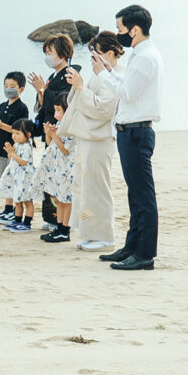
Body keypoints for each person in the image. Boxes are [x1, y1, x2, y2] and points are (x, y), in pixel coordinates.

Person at [96, 5, 163, 271]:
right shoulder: (141, 54)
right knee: (135, 195)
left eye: (121, 29)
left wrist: (104, 75)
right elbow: (128, 87)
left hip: (136, 131)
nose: (119, 34)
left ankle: (144, 254)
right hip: (130, 131)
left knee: (143, 196)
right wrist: (110, 71)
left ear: (135, 29)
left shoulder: (146, 57)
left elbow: (127, 94)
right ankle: (132, 246)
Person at [59, 32, 124, 252]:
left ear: (110, 53)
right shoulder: (99, 75)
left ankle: (104, 236)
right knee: (85, 187)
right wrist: (77, 86)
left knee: (98, 187)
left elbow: (104, 108)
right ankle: (89, 233)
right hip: (87, 137)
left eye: (97, 53)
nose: (94, 59)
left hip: (100, 138)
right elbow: (79, 99)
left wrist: (80, 87)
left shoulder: (115, 75)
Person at [27, 35, 80, 231]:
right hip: (50, 130)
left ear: (63, 54)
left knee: (61, 176)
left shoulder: (69, 74)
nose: (47, 56)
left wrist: (44, 91)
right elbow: (44, 106)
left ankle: (62, 221)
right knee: (50, 174)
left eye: (51, 53)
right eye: (46, 53)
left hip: (62, 132)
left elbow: (64, 101)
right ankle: (52, 218)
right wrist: (41, 92)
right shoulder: (53, 76)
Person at [0, 72, 30, 225]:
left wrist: (1, 125)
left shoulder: (22, 108)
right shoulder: (2, 106)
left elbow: (19, 130)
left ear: (21, 89)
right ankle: (7, 209)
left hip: (14, 150)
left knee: (14, 179)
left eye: (12, 87)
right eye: (6, 86)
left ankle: (15, 209)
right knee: (5, 179)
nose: (8, 89)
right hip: (1, 148)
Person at [33, 93, 76, 243]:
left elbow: (66, 149)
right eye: (55, 110)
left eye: (59, 110)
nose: (56, 114)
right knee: (58, 198)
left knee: (66, 199)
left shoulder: (72, 128)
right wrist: (48, 134)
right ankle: (59, 227)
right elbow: (50, 142)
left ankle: (65, 229)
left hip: (67, 168)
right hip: (57, 167)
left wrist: (54, 135)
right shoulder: (60, 125)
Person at [0, 119, 36, 233]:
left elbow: (23, 162)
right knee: (17, 200)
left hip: (25, 177)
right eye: (13, 133)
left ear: (28, 135)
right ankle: (17, 220)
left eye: (17, 133)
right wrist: (10, 152)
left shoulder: (27, 147)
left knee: (27, 201)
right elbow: (12, 158)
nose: (14, 136)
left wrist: (13, 153)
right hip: (17, 176)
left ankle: (27, 223)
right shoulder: (17, 144)